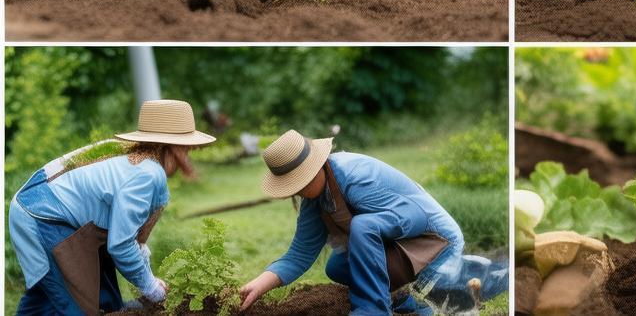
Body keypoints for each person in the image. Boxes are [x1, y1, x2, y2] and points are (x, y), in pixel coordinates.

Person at [239, 130, 507, 315]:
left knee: (457, 294)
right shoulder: (315, 200)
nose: (295, 191)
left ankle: (374, 309)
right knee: (337, 265)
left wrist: (369, 227)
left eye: (297, 182)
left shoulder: (355, 177)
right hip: (398, 247)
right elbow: (299, 254)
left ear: (314, 169)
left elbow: (416, 217)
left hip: (432, 240)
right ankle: (403, 300)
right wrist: (260, 283)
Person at [8, 99, 216, 315]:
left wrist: (146, 273)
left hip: (39, 207)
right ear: (174, 147)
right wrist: (151, 288)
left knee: (63, 299)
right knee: (79, 305)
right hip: (45, 217)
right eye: (187, 147)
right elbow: (121, 244)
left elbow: (129, 236)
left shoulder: (131, 156)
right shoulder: (147, 173)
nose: (189, 153)